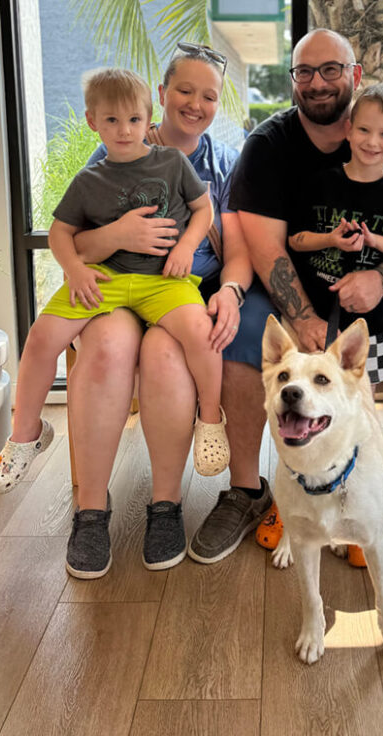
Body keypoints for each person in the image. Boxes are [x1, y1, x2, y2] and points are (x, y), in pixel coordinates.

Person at [190, 28, 383, 561]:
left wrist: (380, 279)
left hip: (373, 290)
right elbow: (267, 247)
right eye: (305, 72)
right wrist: (303, 318)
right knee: (242, 333)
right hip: (286, 292)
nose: (317, 83)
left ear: (355, 75)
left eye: (331, 70)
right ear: (293, 80)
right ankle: (247, 489)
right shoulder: (268, 146)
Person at [0, 67, 230, 510]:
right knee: (41, 337)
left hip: (164, 282)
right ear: (92, 121)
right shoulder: (89, 179)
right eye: (112, 121)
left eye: (134, 120)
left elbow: (203, 210)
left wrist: (187, 247)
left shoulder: (172, 163)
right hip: (107, 282)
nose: (124, 130)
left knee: (200, 331)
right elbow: (61, 234)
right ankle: (26, 435)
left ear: (147, 118)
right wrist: (76, 269)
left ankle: (210, 419)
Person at [59, 44, 260, 578]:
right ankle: (91, 511)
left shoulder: (223, 164)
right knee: (105, 351)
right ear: (163, 94)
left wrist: (231, 292)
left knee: (167, 359)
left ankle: (165, 506)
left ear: (219, 104)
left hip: (184, 293)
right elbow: (73, 248)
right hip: (118, 289)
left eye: (209, 96)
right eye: (185, 91)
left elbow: (238, 251)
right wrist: (121, 233)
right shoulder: (115, 151)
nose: (195, 104)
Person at [288, 83, 383, 352]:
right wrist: (330, 239)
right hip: (316, 318)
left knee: (363, 393)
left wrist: (374, 240)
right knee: (313, 392)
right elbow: (295, 240)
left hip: (370, 326)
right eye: (364, 130)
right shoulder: (318, 185)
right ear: (349, 130)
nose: (372, 142)